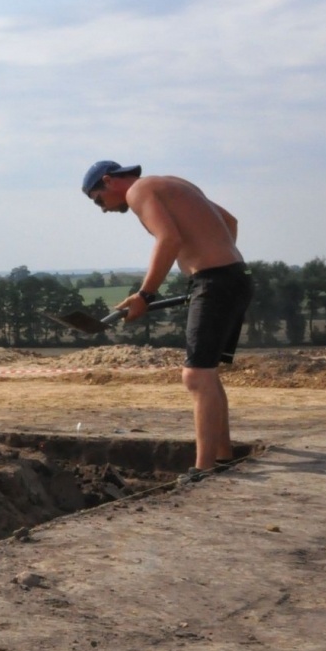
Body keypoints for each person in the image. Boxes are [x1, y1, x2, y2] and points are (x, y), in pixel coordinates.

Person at [82, 161, 252, 476]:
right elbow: (230, 221)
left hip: (216, 281)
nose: (103, 209)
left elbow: (168, 239)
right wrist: (218, 257)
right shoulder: (172, 184)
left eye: (98, 200)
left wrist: (144, 295)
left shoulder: (138, 191)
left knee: (196, 377)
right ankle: (225, 456)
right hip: (232, 278)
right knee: (207, 374)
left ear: (109, 181)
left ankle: (203, 469)